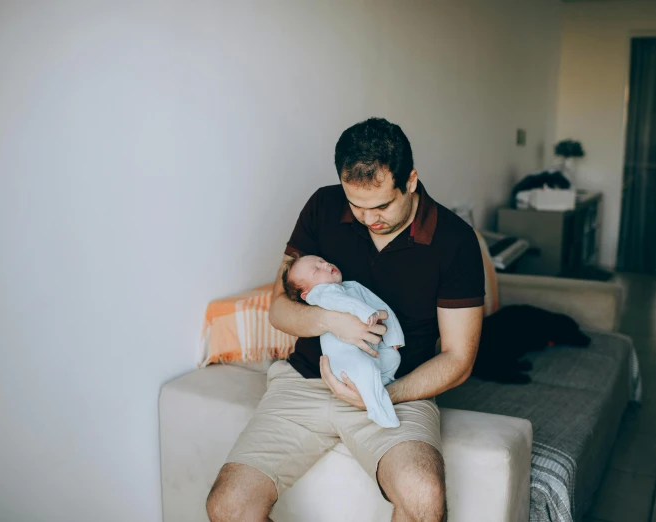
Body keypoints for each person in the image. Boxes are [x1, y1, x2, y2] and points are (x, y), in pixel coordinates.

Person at [206, 117, 484, 522]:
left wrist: (383, 394)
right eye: (357, 205)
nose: (369, 219)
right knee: (228, 505)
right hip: (305, 382)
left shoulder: (455, 240)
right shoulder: (323, 205)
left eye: (383, 206)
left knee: (424, 497)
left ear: (410, 181)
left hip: (397, 387)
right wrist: (333, 322)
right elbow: (280, 309)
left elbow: (459, 359)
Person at [282, 253, 404, 428]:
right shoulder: (319, 294)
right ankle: (377, 408)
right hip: (345, 357)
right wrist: (366, 313)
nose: (325, 265)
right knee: (365, 368)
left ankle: (378, 386)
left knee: (392, 358)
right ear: (305, 294)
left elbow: (382, 306)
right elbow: (343, 302)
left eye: (323, 261)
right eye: (317, 269)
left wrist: (394, 337)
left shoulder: (352, 287)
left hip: (370, 349)